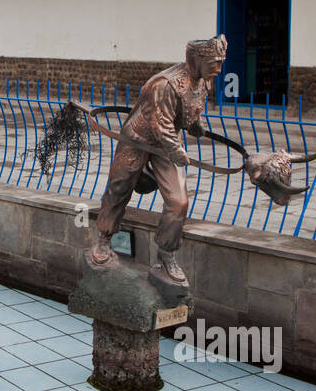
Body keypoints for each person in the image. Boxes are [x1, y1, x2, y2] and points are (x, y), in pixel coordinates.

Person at [88, 36, 227, 282]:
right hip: (139, 137)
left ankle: (166, 255)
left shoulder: (205, 81)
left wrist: (197, 126)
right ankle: (104, 239)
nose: (219, 69)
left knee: (179, 201)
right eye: (214, 63)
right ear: (196, 60)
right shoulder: (166, 84)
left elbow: (190, 110)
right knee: (119, 186)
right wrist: (177, 152)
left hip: (167, 144)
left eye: (220, 62)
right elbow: (161, 123)